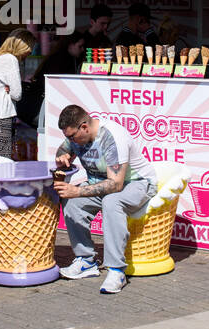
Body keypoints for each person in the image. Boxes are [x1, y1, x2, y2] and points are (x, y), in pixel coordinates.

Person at [52, 103, 157, 295]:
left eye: (72, 136)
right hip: (102, 183)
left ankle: (117, 270)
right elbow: (62, 150)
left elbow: (116, 184)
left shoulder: (112, 137)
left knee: (111, 201)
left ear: (84, 127)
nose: (70, 140)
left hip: (136, 183)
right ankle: (86, 261)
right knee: (71, 201)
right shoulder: (76, 136)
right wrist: (62, 156)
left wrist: (77, 191)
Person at [0, 28, 35, 158]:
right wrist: (10, 88)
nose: (30, 52)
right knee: (1, 160)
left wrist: (9, 87)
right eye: (30, 48)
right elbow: (17, 94)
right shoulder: (10, 60)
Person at [16, 33, 86, 128]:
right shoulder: (62, 60)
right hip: (42, 106)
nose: (82, 49)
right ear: (70, 45)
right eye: (80, 46)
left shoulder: (62, 58)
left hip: (40, 105)